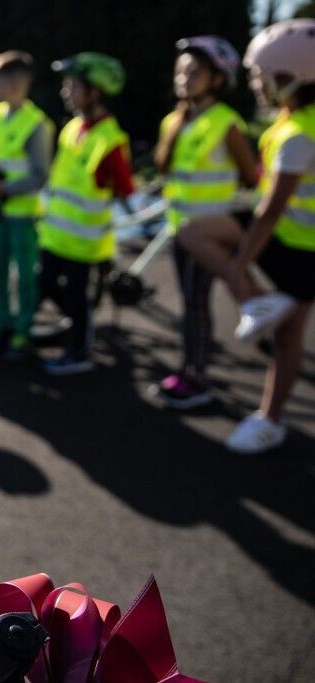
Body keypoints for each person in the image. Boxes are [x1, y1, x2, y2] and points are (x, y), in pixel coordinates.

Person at [178, 19, 315, 453]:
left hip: (300, 251)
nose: (255, 84)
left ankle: (270, 420)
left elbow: (271, 210)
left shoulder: (298, 136)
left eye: (261, 75)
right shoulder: (292, 123)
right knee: (193, 232)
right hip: (286, 240)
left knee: (287, 338)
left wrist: (239, 266)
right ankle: (256, 301)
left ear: (292, 77)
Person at [152, 36, 257, 409]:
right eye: (181, 71)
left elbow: (250, 175)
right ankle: (193, 368)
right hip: (179, 228)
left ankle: (195, 376)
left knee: (195, 303)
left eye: (195, 72)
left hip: (208, 233)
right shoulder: (174, 120)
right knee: (190, 300)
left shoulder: (227, 123)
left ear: (217, 79)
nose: (184, 78)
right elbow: (165, 168)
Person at [38, 53, 133, 374]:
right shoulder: (73, 128)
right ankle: (81, 325)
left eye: (72, 86)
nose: (65, 92)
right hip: (56, 234)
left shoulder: (109, 139)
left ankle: (79, 351)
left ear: (94, 92)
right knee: (47, 283)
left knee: (76, 295)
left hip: (83, 240)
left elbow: (124, 185)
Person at [0, 51, 54, 361]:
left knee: (25, 276)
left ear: (17, 83)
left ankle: (23, 332)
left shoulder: (36, 124)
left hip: (22, 214)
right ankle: (1, 325)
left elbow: (40, 175)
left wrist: (3, 189)